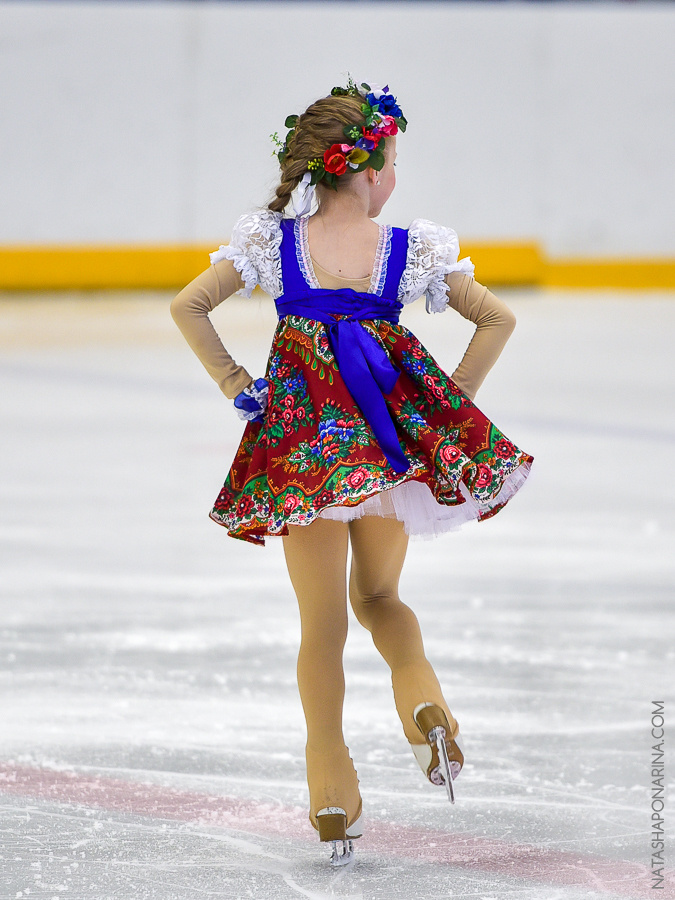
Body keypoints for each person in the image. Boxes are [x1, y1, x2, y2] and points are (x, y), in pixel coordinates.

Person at [170, 79, 533, 866]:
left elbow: (188, 306)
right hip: (384, 455)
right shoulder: (408, 250)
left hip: (304, 461)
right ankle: (424, 705)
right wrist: (447, 400)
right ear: (368, 172)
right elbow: (497, 316)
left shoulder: (274, 243)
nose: (394, 178)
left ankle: (330, 791)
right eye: (392, 162)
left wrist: (239, 385)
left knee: (322, 629)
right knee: (380, 600)